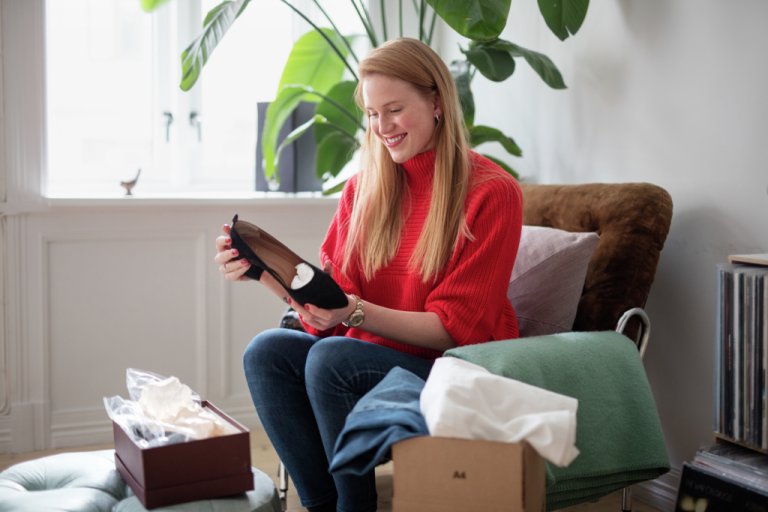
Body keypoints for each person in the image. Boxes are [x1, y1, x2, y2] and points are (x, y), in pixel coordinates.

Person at [214, 37, 523, 512]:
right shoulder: (364, 189)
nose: (382, 127)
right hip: (362, 354)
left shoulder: (492, 192)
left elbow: (454, 330)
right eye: (373, 114)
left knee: (331, 359)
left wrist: (353, 312)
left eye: (394, 109)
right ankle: (323, 505)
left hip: (451, 367)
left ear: (437, 101)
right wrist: (260, 273)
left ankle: (355, 507)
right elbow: (330, 311)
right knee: (267, 352)